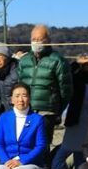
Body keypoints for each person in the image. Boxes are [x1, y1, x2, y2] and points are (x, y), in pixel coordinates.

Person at [17, 24, 73, 155]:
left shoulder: (58, 60)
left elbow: (66, 90)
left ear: (48, 40)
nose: (36, 42)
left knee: (42, 144)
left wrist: (57, 109)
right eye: (33, 39)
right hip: (26, 110)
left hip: (47, 111)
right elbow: (19, 85)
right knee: (25, 143)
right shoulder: (24, 61)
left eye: (40, 39)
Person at [51, 53, 88, 169]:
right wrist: (75, 65)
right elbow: (64, 80)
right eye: (83, 64)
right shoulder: (73, 81)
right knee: (57, 162)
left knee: (80, 161)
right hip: (74, 122)